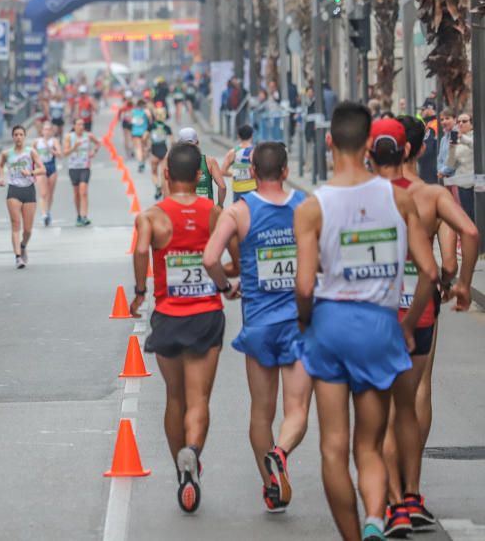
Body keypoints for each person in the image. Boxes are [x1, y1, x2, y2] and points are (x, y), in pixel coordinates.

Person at [293, 102, 437, 541]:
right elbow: (430, 272)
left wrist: (306, 323)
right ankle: (378, 516)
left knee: (333, 446)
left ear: (330, 141)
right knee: (370, 445)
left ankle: (356, 535)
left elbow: (303, 286)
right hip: (380, 325)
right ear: (370, 145)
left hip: (332, 324)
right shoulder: (398, 197)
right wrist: (408, 324)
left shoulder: (312, 208)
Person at [367, 116, 478, 535]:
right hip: (420, 310)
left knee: (383, 409)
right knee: (413, 401)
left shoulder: (358, 197)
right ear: (413, 151)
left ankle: (393, 502)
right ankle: (410, 497)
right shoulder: (429, 195)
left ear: (370, 153)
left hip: (373, 314)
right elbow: (468, 230)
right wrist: (462, 283)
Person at [203, 142, 311, 513]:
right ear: (285, 171)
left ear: (250, 174)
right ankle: (281, 453)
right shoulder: (304, 207)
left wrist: (225, 287)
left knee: (260, 412)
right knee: (296, 410)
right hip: (297, 323)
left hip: (259, 324)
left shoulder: (237, 212)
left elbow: (210, 258)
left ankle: (271, 487)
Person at [131, 142, 238, 513]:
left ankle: (183, 470)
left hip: (168, 316)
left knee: (174, 398)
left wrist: (140, 291)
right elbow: (232, 261)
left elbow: (140, 251)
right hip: (206, 315)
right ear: (199, 176)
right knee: (199, 400)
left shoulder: (151, 217)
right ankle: (193, 451)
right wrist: (226, 280)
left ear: (165, 175)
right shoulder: (215, 213)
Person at [0, 125, 46, 269]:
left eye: (21, 134)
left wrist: (31, 173)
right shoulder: (7, 153)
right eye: (16, 134)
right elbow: (0, 166)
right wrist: (1, 177)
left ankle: (23, 245)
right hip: (13, 190)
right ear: (13, 137)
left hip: (29, 190)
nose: (18, 137)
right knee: (15, 224)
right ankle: (18, 257)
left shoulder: (30, 152)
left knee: (28, 229)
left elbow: (42, 169)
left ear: (24, 137)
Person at [63, 117, 101, 226]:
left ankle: (84, 216)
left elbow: (98, 143)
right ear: (74, 126)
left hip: (85, 166)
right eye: (79, 124)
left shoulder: (88, 136)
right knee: (76, 193)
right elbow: (65, 153)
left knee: (83, 191)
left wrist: (94, 151)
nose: (81, 127)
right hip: (73, 167)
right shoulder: (69, 137)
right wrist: (73, 148)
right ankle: (79, 215)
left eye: (82, 124)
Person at [444, 112, 474, 219]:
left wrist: (463, 139)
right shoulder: (458, 139)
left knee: (477, 214)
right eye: (458, 122)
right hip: (462, 183)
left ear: (472, 124)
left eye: (464, 121)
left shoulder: (475, 136)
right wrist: (452, 147)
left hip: (475, 183)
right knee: (467, 215)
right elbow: (450, 163)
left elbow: (475, 145)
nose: (460, 124)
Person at [33, 121, 61, 227]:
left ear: (52, 131)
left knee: (50, 193)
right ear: (42, 131)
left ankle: (48, 211)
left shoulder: (54, 141)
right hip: (41, 167)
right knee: (43, 193)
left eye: (49, 129)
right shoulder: (37, 142)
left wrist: (50, 149)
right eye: (45, 129)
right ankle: (44, 214)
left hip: (51, 167)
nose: (47, 132)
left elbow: (60, 154)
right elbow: (31, 154)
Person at [220, 125, 258, 202]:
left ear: (238, 136)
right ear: (252, 136)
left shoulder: (232, 152)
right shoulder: (255, 152)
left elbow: (223, 171)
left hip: (238, 190)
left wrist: (233, 174)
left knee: (238, 213)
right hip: (252, 188)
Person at [149, 107, 173, 199]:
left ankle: (157, 186)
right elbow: (172, 141)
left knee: (154, 173)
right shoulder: (167, 128)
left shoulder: (151, 126)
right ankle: (164, 194)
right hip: (164, 153)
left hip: (154, 152)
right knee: (163, 174)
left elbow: (144, 137)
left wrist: (147, 145)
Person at [417, 99, 438, 185]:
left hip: (430, 168)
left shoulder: (433, 125)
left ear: (429, 109)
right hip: (432, 167)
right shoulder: (430, 123)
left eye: (423, 109)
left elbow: (427, 148)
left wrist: (418, 157)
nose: (420, 112)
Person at [129, 99, 151, 173]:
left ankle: (140, 163)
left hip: (135, 132)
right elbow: (151, 121)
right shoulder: (146, 111)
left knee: (138, 149)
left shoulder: (133, 112)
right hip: (144, 132)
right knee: (145, 148)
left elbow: (130, 121)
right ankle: (143, 162)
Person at [436, 108, 456, 183]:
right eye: (442, 119)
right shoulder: (443, 139)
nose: (444, 121)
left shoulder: (456, 135)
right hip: (446, 179)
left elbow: (453, 160)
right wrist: (440, 171)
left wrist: (443, 172)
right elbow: (440, 159)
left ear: (454, 119)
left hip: (456, 179)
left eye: (447, 118)